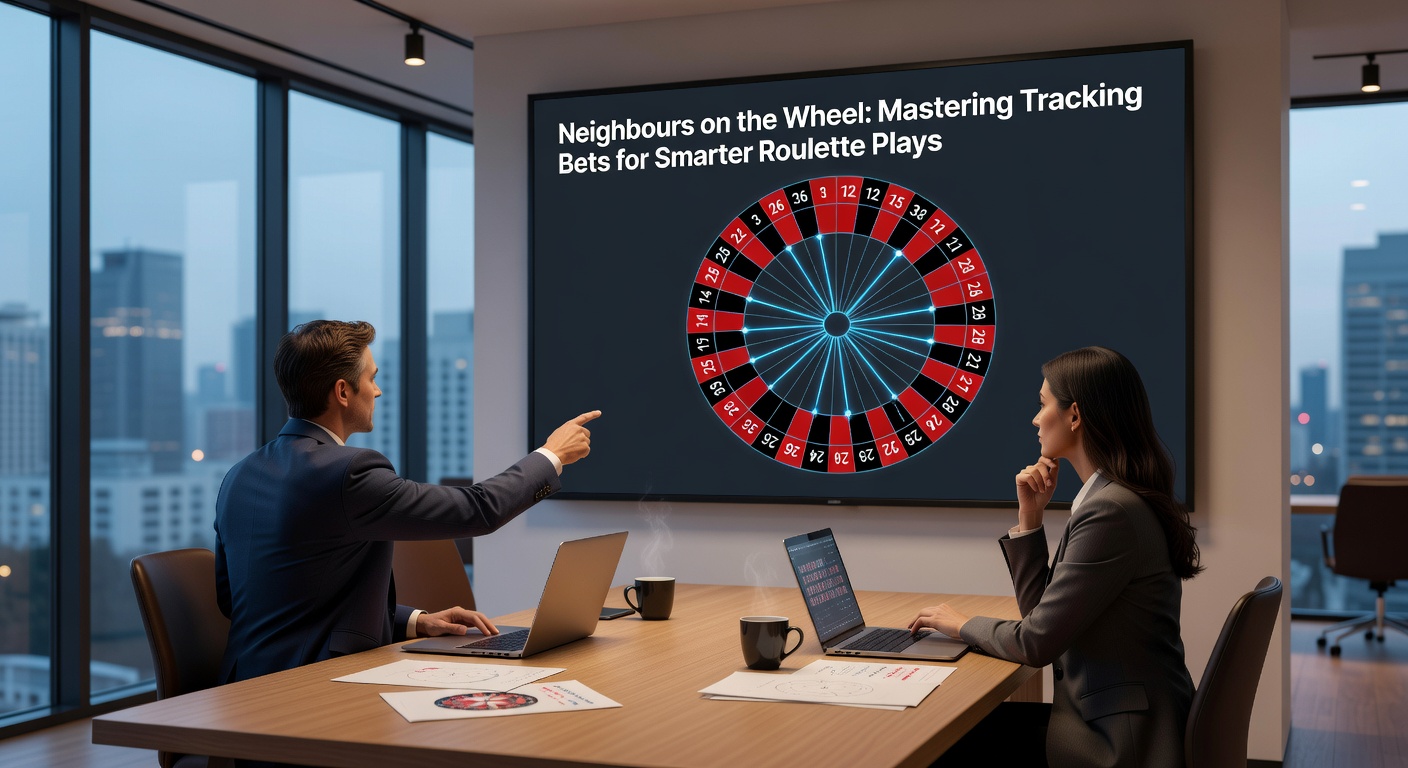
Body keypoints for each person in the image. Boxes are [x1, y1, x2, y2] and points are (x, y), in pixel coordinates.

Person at [214, 320, 599, 685]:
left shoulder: (238, 475)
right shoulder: (347, 472)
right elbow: (477, 509)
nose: (378, 391)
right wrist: (552, 455)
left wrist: (417, 621)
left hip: (240, 691)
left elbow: (245, 600)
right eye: (372, 378)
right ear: (343, 392)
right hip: (316, 688)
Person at [909, 346, 1201, 768]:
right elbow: (1041, 620)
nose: (1035, 418)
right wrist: (1031, 518)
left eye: (1043, 404)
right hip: (1123, 718)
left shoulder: (1110, 511)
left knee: (947, 741)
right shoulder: (1114, 499)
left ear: (1075, 416)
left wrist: (961, 625)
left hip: (1119, 741)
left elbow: (1035, 641)